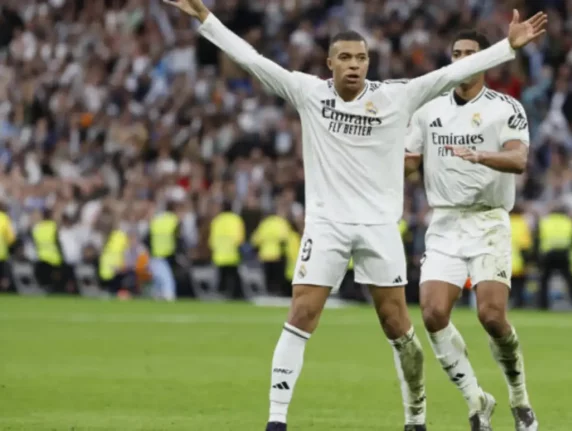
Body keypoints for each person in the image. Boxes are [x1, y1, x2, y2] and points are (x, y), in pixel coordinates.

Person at [163, 1, 546, 430]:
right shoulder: (309, 93)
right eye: (344, 57)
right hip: (326, 224)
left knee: (399, 327)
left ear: (369, 63)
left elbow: (450, 75)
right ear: (329, 63)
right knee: (301, 314)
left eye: (361, 58)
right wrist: (206, 20)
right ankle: (276, 421)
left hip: (380, 227)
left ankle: (416, 416)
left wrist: (505, 48)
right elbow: (254, 61)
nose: (354, 65)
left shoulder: (395, 97)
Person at [404, 30, 538, 431]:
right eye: (456, 53)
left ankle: (520, 399)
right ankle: (477, 400)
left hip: (488, 220)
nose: (461, 60)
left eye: (470, 54)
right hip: (444, 220)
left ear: (487, 61)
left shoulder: (506, 108)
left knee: (492, 317)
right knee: (432, 312)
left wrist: (481, 155)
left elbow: (519, 160)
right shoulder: (428, 109)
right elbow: (410, 164)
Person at [536, 206, 572, 310]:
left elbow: (539, 238)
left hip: (548, 254)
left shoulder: (545, 221)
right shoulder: (568, 221)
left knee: (544, 281)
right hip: (563, 253)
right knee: (569, 281)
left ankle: (543, 305)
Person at [147, 202, 184, 301]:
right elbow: (179, 239)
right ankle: (168, 298)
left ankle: (156, 298)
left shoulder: (156, 220)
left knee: (159, 282)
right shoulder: (174, 220)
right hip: (166, 254)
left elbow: (147, 237)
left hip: (154, 255)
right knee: (168, 283)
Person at [209, 201, 245, 298]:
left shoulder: (217, 220)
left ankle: (221, 296)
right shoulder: (236, 219)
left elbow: (212, 240)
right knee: (234, 278)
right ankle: (236, 296)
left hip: (219, 256)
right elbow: (240, 239)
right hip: (232, 255)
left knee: (222, 279)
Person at [509, 206, 532, 308]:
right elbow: (525, 246)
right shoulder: (523, 224)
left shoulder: (505, 222)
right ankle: (518, 303)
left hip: (504, 261)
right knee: (519, 285)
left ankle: (508, 303)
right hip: (518, 261)